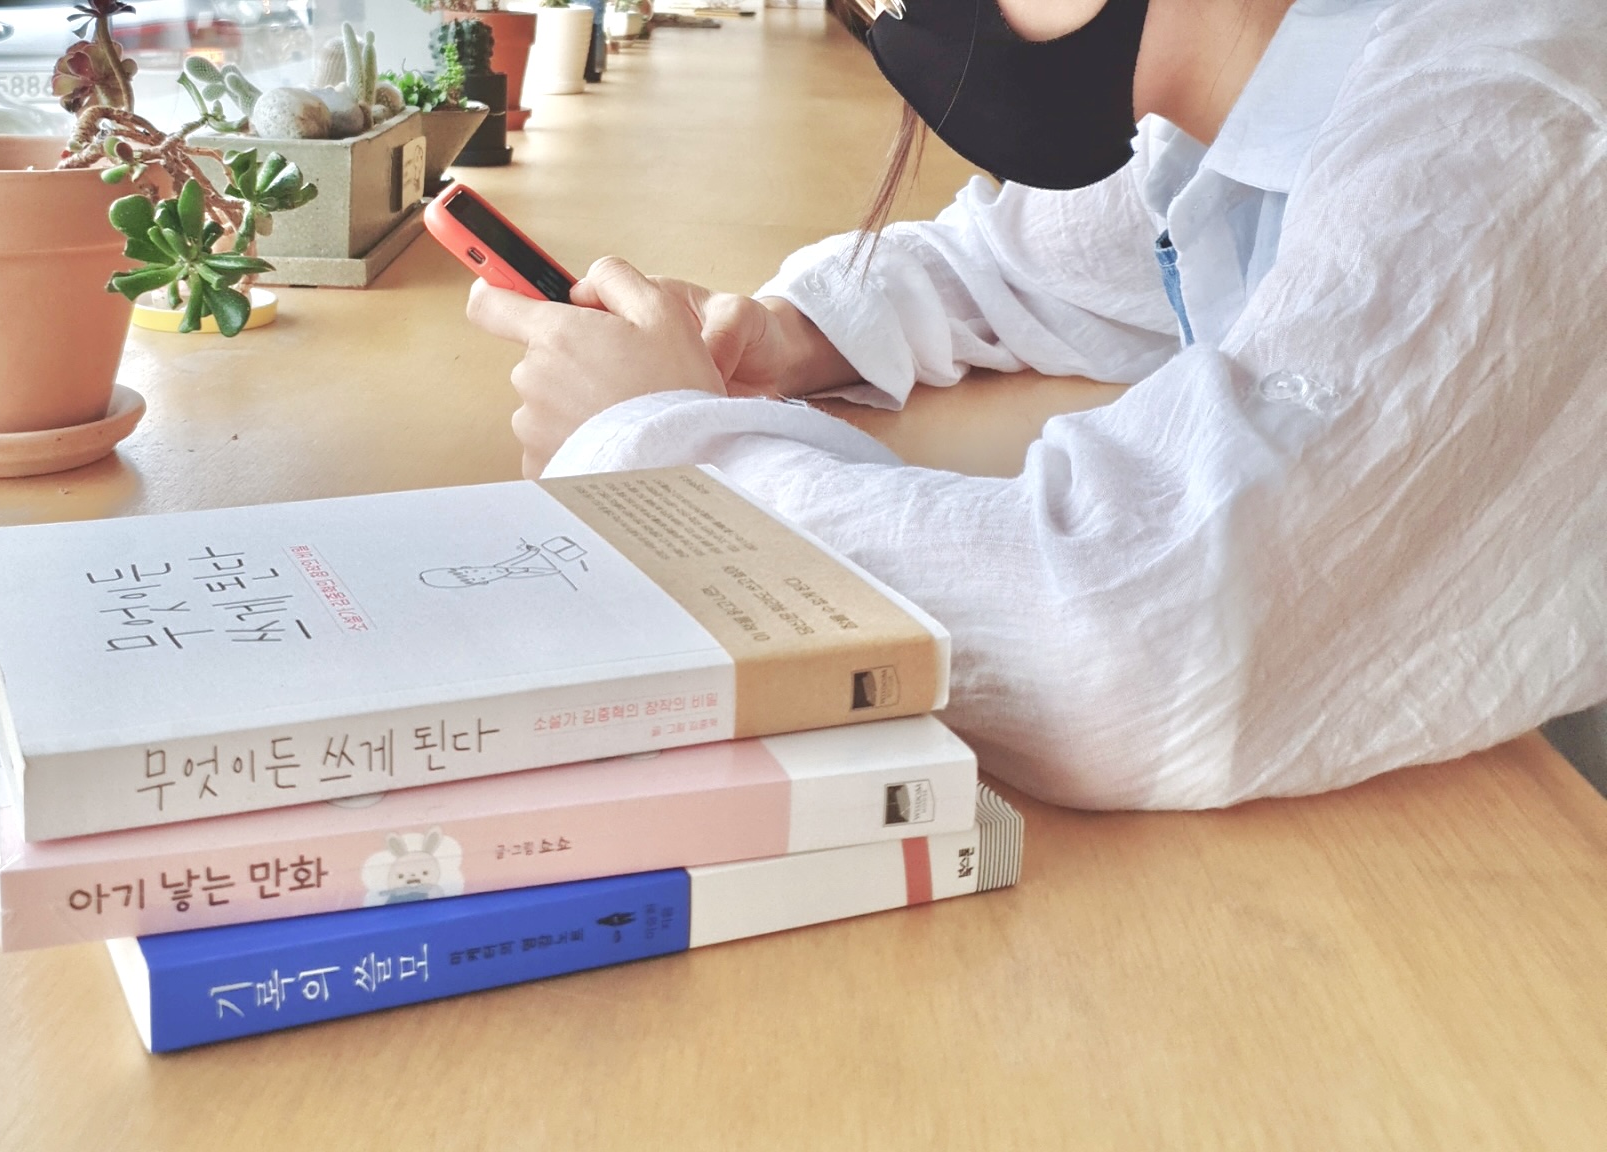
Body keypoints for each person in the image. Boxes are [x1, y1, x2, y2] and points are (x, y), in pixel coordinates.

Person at [465, 0, 1607, 809]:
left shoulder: (1506, 116)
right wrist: (786, 336)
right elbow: (1012, 264)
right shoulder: (1235, 94)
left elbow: (1140, 639)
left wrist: (666, 461)